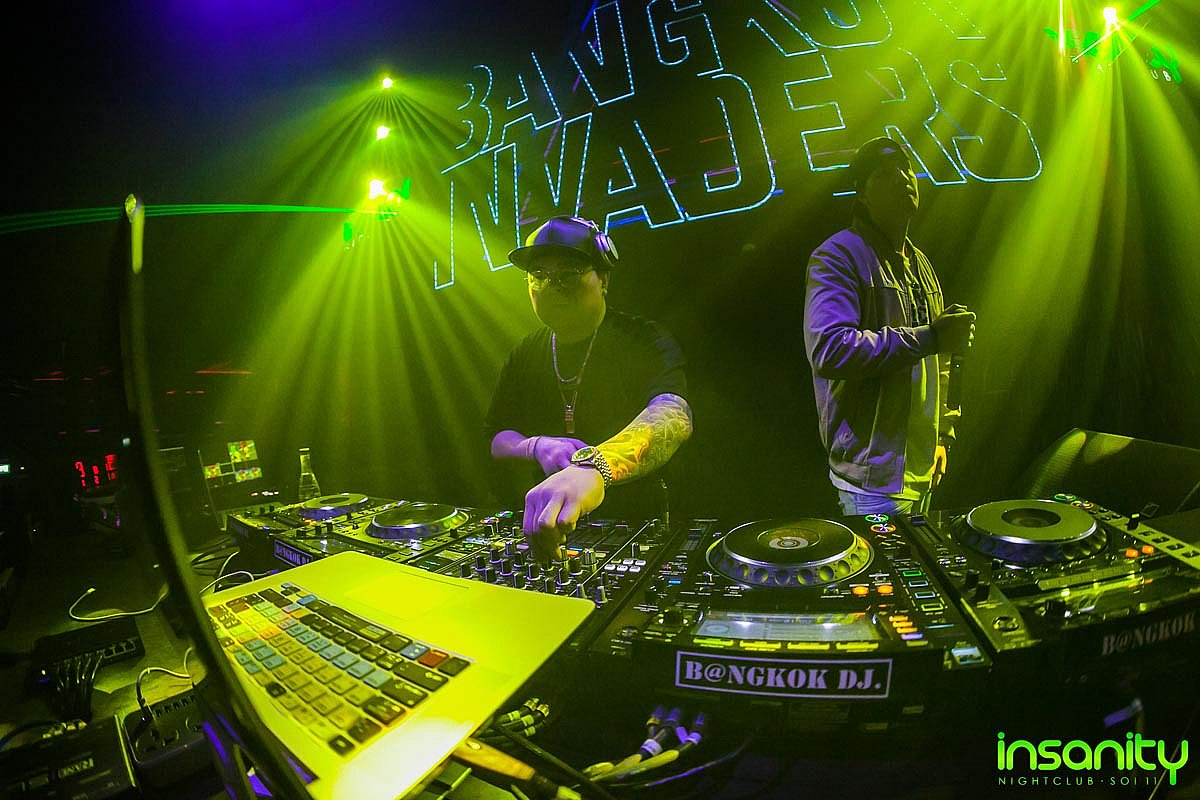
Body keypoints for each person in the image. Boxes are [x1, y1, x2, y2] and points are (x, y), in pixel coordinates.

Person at [485, 216, 693, 561]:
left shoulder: (644, 339)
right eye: (538, 275)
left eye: (568, 273)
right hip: (550, 525)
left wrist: (595, 467)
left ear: (604, 279)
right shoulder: (526, 352)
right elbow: (497, 436)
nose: (550, 286)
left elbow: (673, 415)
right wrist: (536, 446)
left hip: (635, 521)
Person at [803, 137, 975, 516]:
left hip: (921, 471)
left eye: (906, 167)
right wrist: (931, 337)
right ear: (862, 193)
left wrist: (943, 436)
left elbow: (942, 363)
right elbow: (829, 349)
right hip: (871, 482)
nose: (902, 177)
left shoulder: (920, 262)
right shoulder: (838, 255)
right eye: (885, 172)